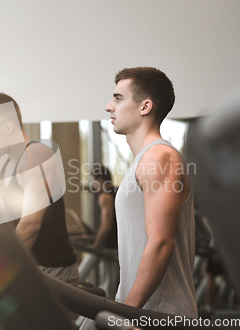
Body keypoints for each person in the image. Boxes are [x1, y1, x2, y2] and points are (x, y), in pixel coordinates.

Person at [105, 67, 197, 318]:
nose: (109, 106)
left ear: (145, 107)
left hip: (159, 314)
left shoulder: (159, 156)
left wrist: (125, 313)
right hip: (142, 309)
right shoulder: (144, 160)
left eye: (118, 98)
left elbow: (161, 243)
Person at [0, 92, 79, 285]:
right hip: (28, 265)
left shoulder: (36, 154)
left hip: (52, 271)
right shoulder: (5, 163)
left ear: (8, 128)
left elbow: (30, 225)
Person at [91, 164, 119, 298]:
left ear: (100, 180)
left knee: (108, 289)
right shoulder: (118, 192)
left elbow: (106, 225)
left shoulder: (105, 197)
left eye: (93, 181)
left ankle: (109, 318)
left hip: (110, 248)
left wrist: (96, 245)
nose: (93, 185)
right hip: (120, 247)